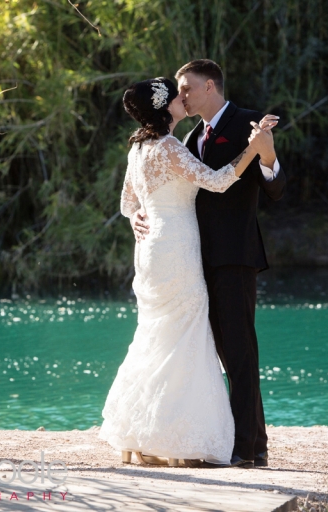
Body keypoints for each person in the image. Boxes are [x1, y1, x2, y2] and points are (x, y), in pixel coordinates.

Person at [97, 77, 278, 466]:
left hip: (150, 252)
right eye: (175, 95)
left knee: (159, 335)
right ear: (165, 108)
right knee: (185, 336)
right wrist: (252, 150)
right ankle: (179, 439)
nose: (183, 98)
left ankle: (145, 434)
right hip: (177, 250)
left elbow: (128, 203)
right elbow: (215, 182)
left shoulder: (138, 148)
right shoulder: (169, 146)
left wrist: (137, 218)